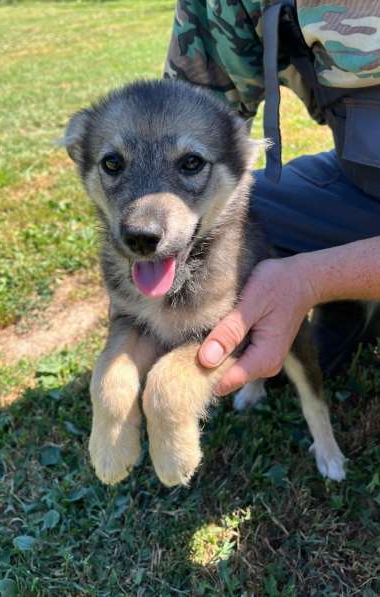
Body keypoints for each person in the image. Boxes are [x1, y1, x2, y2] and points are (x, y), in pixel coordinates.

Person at [164, 0, 380, 395]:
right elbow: (182, 137)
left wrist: (311, 279)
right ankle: (354, 307)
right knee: (220, 220)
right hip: (362, 184)